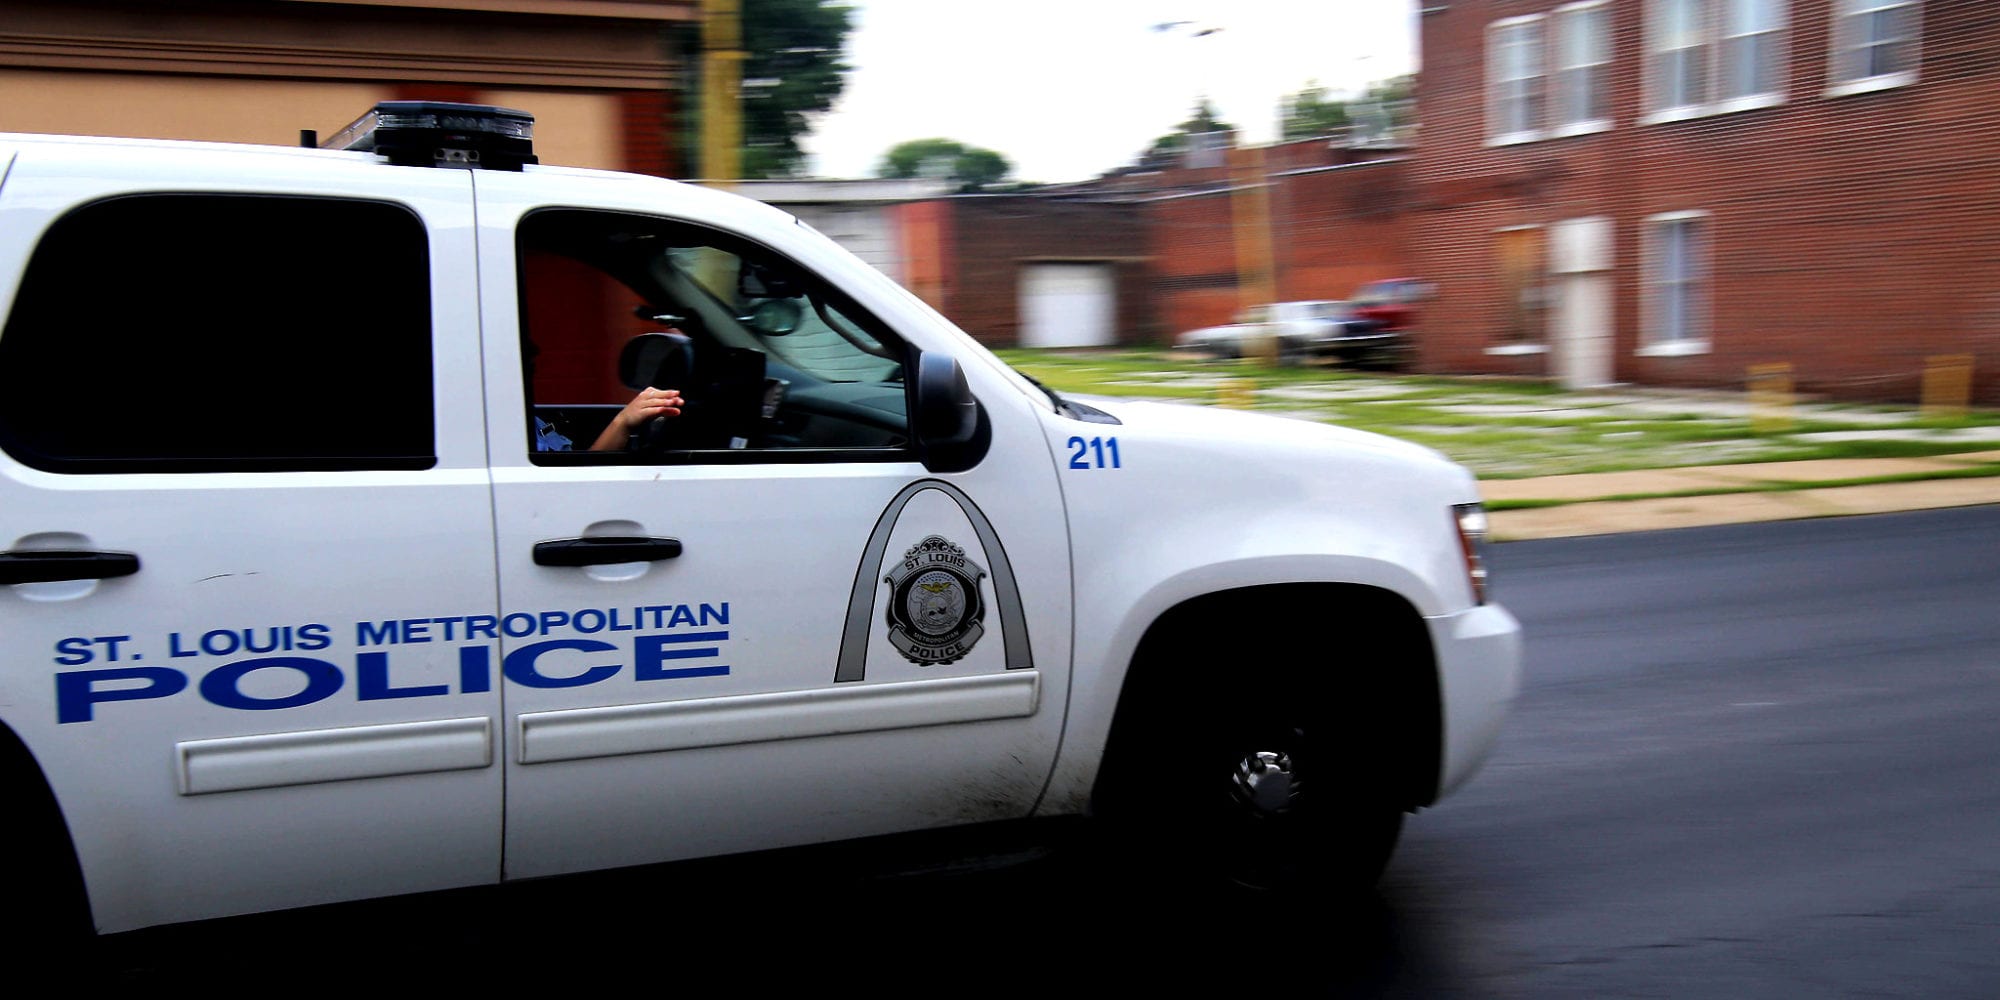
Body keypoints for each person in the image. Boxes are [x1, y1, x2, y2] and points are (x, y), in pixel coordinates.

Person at [535, 386, 684, 452]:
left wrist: (624, 421)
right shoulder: (515, 430)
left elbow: (580, 475)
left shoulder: (533, 422)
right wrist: (623, 421)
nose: (535, 351)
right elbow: (583, 485)